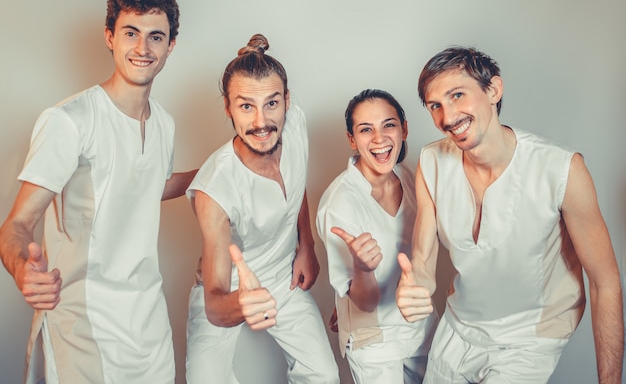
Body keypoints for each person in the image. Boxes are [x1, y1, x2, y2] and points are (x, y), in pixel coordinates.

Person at [0, 0, 197, 384]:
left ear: (170, 46)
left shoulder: (164, 122)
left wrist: (215, 170)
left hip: (147, 322)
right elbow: (16, 225)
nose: (143, 49)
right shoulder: (69, 121)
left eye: (155, 36)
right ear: (110, 37)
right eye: (131, 33)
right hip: (81, 322)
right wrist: (23, 270)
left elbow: (145, 185)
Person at [395, 46, 624, 384]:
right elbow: (423, 262)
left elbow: (605, 282)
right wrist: (415, 289)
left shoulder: (562, 169)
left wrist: (611, 382)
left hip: (529, 338)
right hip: (458, 329)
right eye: (435, 106)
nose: (447, 116)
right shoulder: (431, 162)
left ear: (493, 90)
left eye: (457, 95)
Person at [185, 33, 339, 384]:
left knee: (325, 376)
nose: (261, 122)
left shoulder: (294, 124)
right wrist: (242, 302)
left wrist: (307, 246)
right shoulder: (215, 190)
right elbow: (214, 301)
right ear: (227, 107)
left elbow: (295, 180)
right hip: (231, 290)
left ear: (287, 101)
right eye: (245, 106)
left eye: (272, 103)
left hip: (283, 278)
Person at [316, 89, 438, 384]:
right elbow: (364, 302)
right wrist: (362, 268)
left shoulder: (411, 178)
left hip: (420, 328)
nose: (380, 138)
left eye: (389, 125)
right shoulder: (339, 203)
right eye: (365, 129)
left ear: (404, 129)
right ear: (352, 139)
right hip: (374, 341)